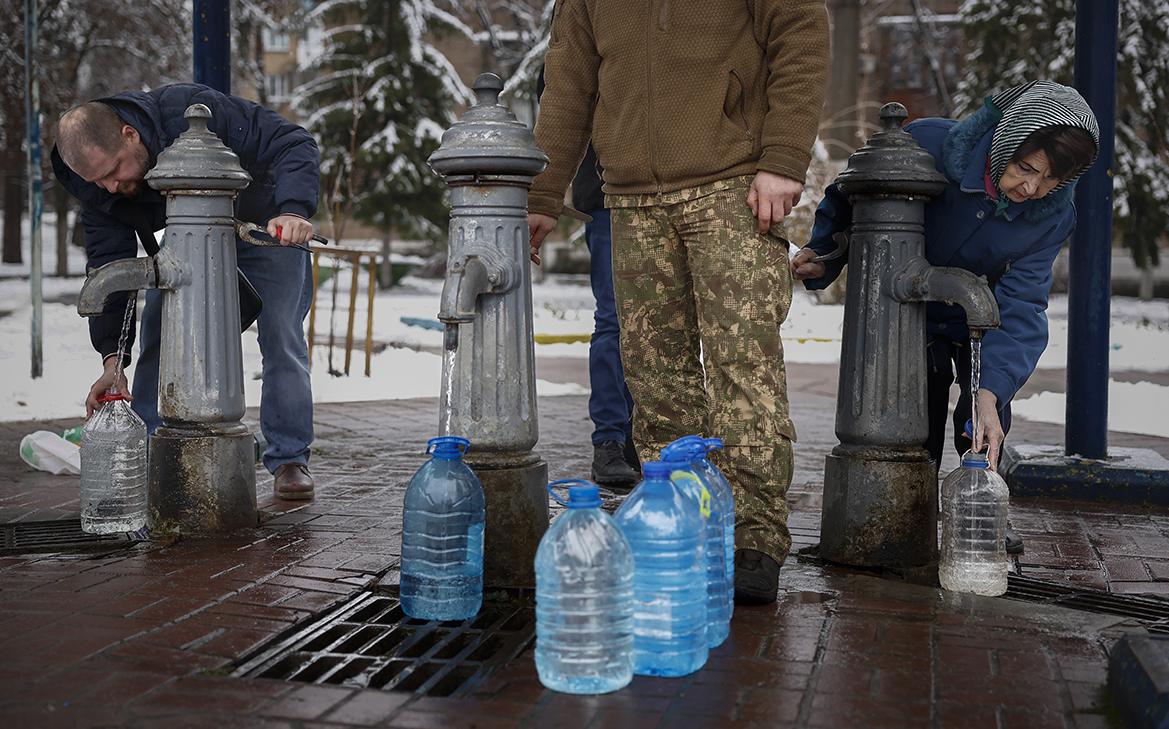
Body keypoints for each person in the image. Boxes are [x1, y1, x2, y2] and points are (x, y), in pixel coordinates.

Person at [528, 1, 830, 604]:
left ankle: (754, 537)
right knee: (654, 376)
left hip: (733, 186)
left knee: (742, 367)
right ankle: (683, 524)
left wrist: (783, 158)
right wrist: (542, 192)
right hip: (630, 198)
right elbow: (568, 81)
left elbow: (801, 34)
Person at [793, 80, 1100, 552]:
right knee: (916, 421)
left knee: (982, 420)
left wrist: (990, 393)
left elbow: (1022, 305)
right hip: (905, 313)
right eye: (1025, 168)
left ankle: (979, 504)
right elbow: (852, 196)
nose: (1032, 188)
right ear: (1007, 140)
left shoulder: (1051, 216)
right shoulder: (929, 144)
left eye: (1050, 180)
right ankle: (906, 516)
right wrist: (826, 253)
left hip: (978, 321)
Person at [52, 83, 321, 501]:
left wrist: (293, 209)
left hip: (266, 230)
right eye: (97, 180)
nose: (110, 186)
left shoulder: (192, 110)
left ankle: (289, 458)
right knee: (159, 336)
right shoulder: (98, 187)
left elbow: (292, 141)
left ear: (130, 134)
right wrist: (112, 358)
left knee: (282, 337)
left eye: (113, 170)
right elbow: (110, 268)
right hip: (188, 245)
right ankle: (150, 453)